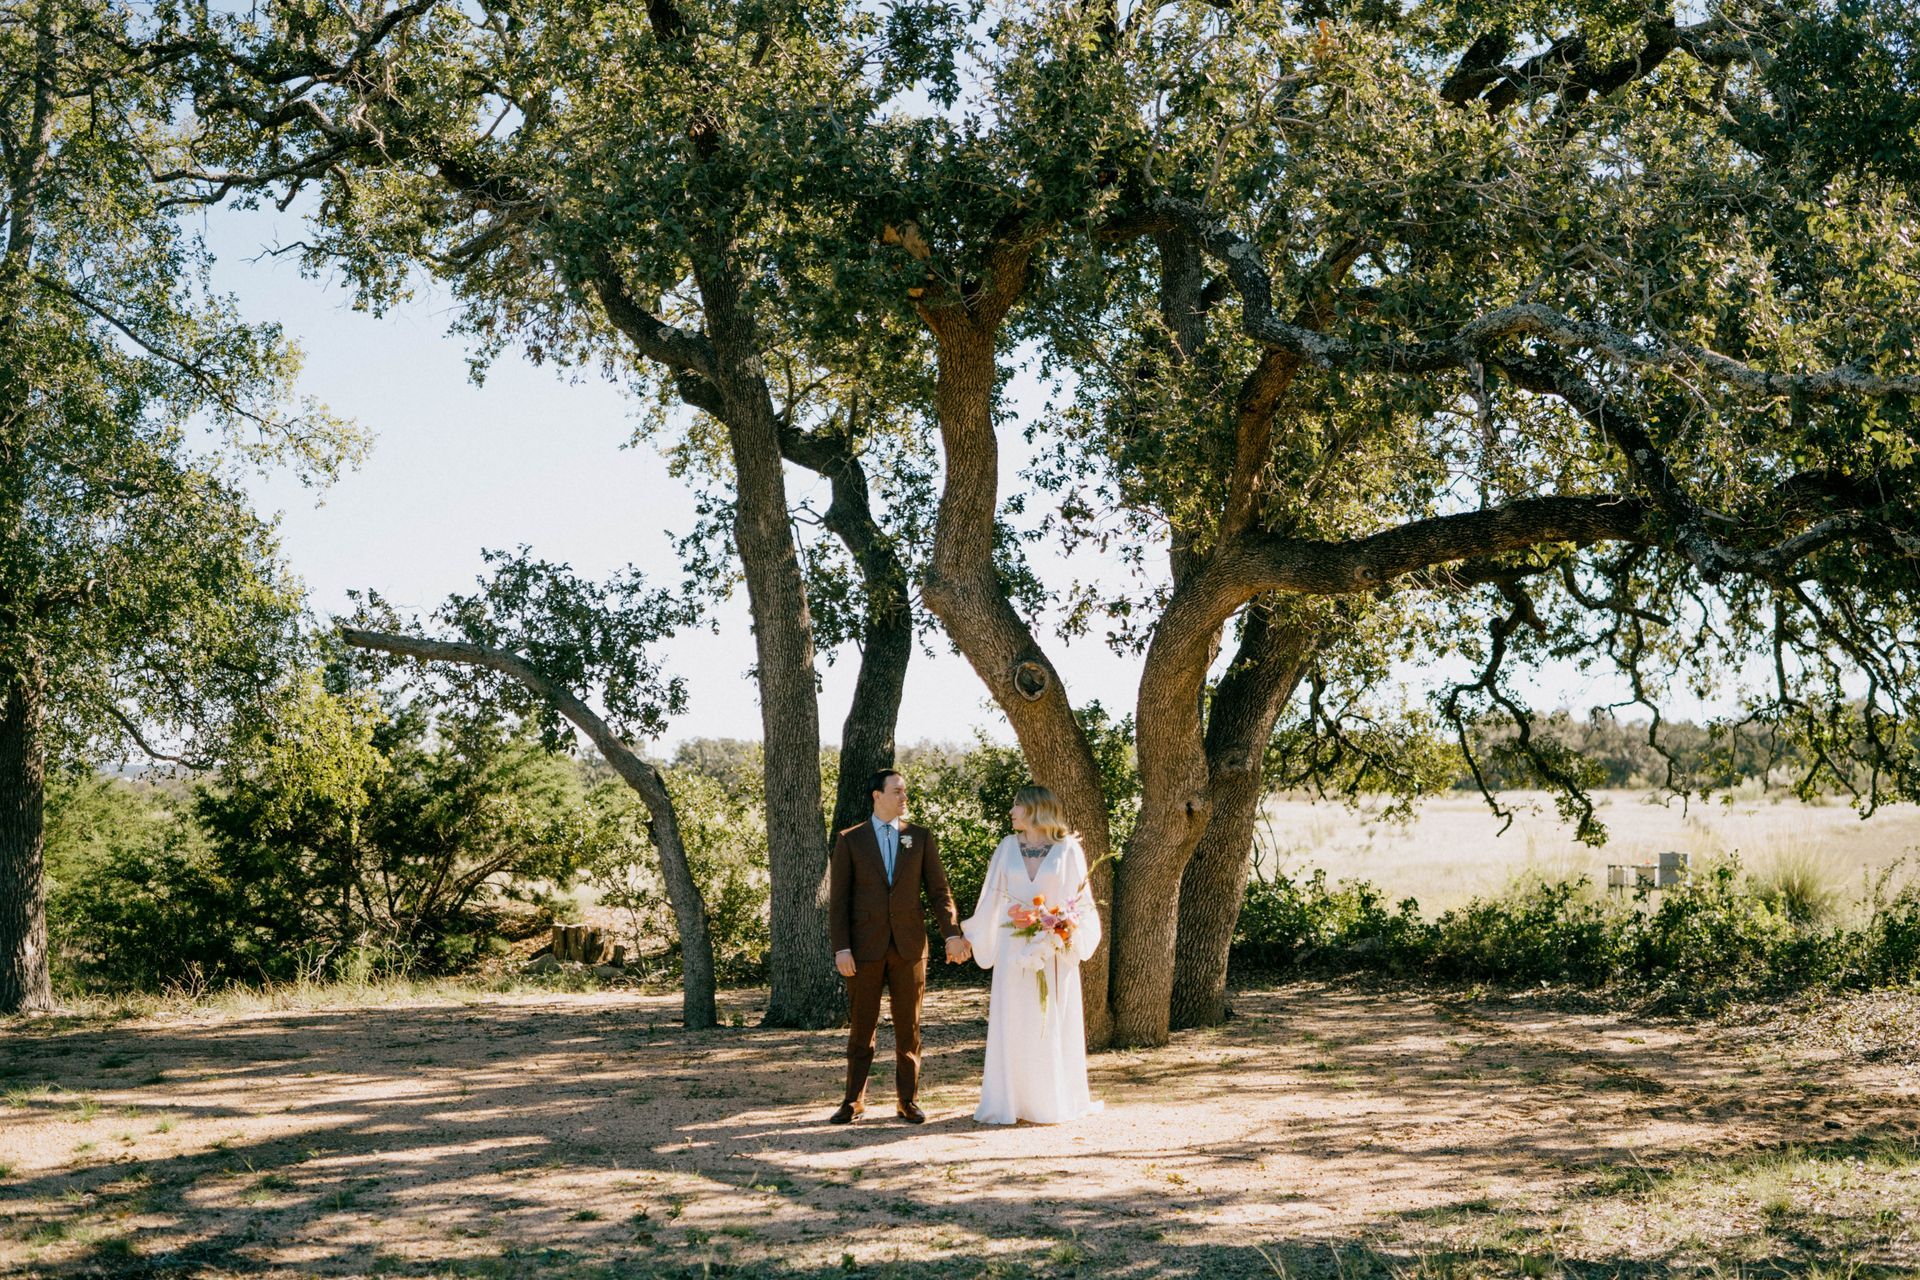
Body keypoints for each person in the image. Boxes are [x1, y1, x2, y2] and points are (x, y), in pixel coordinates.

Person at [826, 768, 971, 1124]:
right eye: (898, 791)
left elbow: (939, 892)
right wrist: (841, 947)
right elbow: (838, 900)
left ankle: (907, 1101)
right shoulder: (850, 839)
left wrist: (952, 933)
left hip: (909, 947)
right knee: (862, 1027)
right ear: (877, 795)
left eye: (905, 791)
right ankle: (853, 1101)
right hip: (863, 949)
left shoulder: (919, 837)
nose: (904, 797)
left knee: (910, 1028)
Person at [961, 784, 1103, 1125]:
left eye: (1017, 806)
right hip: (1013, 948)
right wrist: (971, 936)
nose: (1011, 812)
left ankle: (1051, 1100)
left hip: (1053, 948)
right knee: (1015, 1019)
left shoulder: (1068, 849)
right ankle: (1011, 1101)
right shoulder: (1007, 847)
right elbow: (991, 898)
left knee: (1050, 1019)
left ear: (1036, 809)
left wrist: (1057, 923)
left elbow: (1080, 905)